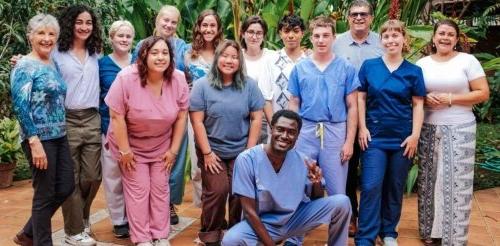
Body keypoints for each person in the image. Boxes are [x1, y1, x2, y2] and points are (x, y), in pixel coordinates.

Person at [222, 109, 352, 246]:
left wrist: (317, 182)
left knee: (342, 202)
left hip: (295, 220)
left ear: (297, 136)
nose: (285, 135)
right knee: (231, 240)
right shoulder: (247, 159)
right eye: (280, 129)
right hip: (263, 224)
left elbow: (316, 200)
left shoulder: (303, 161)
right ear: (272, 129)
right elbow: (249, 212)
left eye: (291, 132)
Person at [105, 36, 189, 246]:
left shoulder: (178, 78)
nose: (160, 57)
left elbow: (181, 116)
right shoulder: (126, 78)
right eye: (154, 53)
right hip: (130, 145)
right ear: (144, 55)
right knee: (139, 191)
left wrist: (173, 151)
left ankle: (160, 235)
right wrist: (125, 151)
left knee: (161, 189)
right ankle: (142, 238)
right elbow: (116, 116)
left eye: (165, 53)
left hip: (161, 144)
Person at [416, 19, 489, 246]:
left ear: (457, 39)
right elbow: (415, 95)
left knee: (457, 183)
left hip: (461, 127)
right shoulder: (422, 63)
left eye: (450, 34)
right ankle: (430, 232)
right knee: (429, 181)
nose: (445, 38)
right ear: (434, 37)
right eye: (441, 33)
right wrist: (424, 98)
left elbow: (482, 93)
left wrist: (450, 99)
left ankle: (454, 238)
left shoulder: (468, 61)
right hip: (428, 127)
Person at [355, 20, 425, 246]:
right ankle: (365, 236)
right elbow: (361, 97)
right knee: (371, 185)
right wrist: (362, 127)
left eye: (396, 36)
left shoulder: (414, 71)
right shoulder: (369, 66)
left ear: (404, 39)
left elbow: (418, 105)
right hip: (374, 137)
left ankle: (388, 233)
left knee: (394, 187)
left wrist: (415, 135)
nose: (391, 40)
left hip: (403, 139)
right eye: (386, 36)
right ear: (381, 40)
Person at [190, 40, 265, 245]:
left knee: (239, 192)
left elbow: (257, 118)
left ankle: (236, 233)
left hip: (240, 150)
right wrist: (206, 153)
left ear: (239, 61)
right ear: (217, 58)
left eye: (234, 57)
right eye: (225, 56)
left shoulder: (249, 85)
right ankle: (210, 234)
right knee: (217, 190)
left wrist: (249, 152)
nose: (229, 60)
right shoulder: (202, 86)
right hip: (212, 149)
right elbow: (197, 121)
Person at [10, 14, 75, 246]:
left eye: (51, 34)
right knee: (45, 195)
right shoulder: (24, 66)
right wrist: (34, 141)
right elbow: (20, 104)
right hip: (39, 138)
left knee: (66, 186)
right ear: (30, 37)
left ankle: (28, 233)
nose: (47, 39)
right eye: (41, 33)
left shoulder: (52, 62)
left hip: (59, 135)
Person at [131, 5, 189, 225]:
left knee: (174, 158)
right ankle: (143, 207)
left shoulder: (183, 47)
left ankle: (169, 204)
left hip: (175, 112)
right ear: (157, 20)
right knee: (146, 160)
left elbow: (202, 60)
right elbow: (132, 75)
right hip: (147, 113)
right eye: (165, 20)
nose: (169, 25)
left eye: (173, 22)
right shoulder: (142, 45)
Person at [332, 0, 384, 235]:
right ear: (348, 17)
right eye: (354, 14)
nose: (359, 17)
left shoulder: (382, 43)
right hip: (346, 116)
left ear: (371, 17)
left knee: (375, 172)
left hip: (378, 116)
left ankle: (373, 220)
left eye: (364, 14)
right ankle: (351, 216)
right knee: (349, 170)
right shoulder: (337, 43)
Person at [53, 5, 103, 245]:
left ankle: (81, 215)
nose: (84, 27)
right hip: (67, 118)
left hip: (92, 117)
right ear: (70, 24)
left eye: (89, 23)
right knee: (70, 178)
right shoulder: (56, 52)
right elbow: (38, 66)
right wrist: (21, 60)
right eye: (79, 22)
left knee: (93, 176)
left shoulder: (96, 53)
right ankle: (73, 232)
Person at [185, 9, 224, 210]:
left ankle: (218, 210)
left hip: (221, 116)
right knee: (198, 168)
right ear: (199, 27)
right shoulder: (188, 54)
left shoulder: (224, 52)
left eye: (212, 25)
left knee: (219, 163)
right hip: (196, 116)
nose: (208, 29)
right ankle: (204, 212)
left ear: (218, 29)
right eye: (205, 25)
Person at [98, 20, 135, 238]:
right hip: (109, 126)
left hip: (137, 128)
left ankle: (135, 216)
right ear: (111, 38)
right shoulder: (102, 64)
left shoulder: (140, 61)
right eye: (120, 35)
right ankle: (119, 220)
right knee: (113, 175)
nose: (124, 40)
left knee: (134, 174)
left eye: (128, 36)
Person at [263, 14, 308, 113]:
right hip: (276, 124)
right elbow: (266, 98)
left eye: (296, 31)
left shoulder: (309, 61)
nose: (291, 36)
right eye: (286, 31)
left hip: (305, 126)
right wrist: (274, 126)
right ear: (280, 34)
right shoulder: (271, 60)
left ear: (302, 33)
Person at [240, 15, 275, 143]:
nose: (254, 37)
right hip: (242, 117)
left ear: (264, 36)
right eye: (250, 32)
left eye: (259, 33)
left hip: (267, 117)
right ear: (243, 33)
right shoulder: (236, 57)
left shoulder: (272, 56)